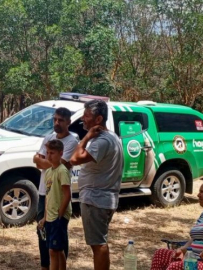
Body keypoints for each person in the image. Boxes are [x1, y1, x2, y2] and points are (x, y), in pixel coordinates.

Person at [70, 99, 123, 270]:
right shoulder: (112, 137)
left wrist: (86, 137)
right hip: (104, 198)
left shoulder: (101, 141)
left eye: (86, 116)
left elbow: (74, 159)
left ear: (98, 119)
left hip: (96, 199)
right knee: (100, 243)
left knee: (98, 245)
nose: (83, 119)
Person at [33, 107, 78, 270]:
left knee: (58, 239)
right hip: (45, 192)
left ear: (68, 122)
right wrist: (42, 160)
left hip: (58, 197)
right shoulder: (49, 137)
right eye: (55, 119)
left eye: (61, 120)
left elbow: (57, 164)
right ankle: (45, 265)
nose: (57, 123)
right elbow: (35, 159)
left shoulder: (72, 141)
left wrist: (44, 161)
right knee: (42, 231)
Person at [37, 140, 72, 270]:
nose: (49, 156)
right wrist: (45, 217)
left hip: (59, 216)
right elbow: (48, 195)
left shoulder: (62, 171)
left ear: (61, 153)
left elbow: (67, 194)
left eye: (52, 153)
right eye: (47, 153)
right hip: (50, 215)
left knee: (53, 250)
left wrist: (60, 215)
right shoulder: (48, 172)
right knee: (58, 249)